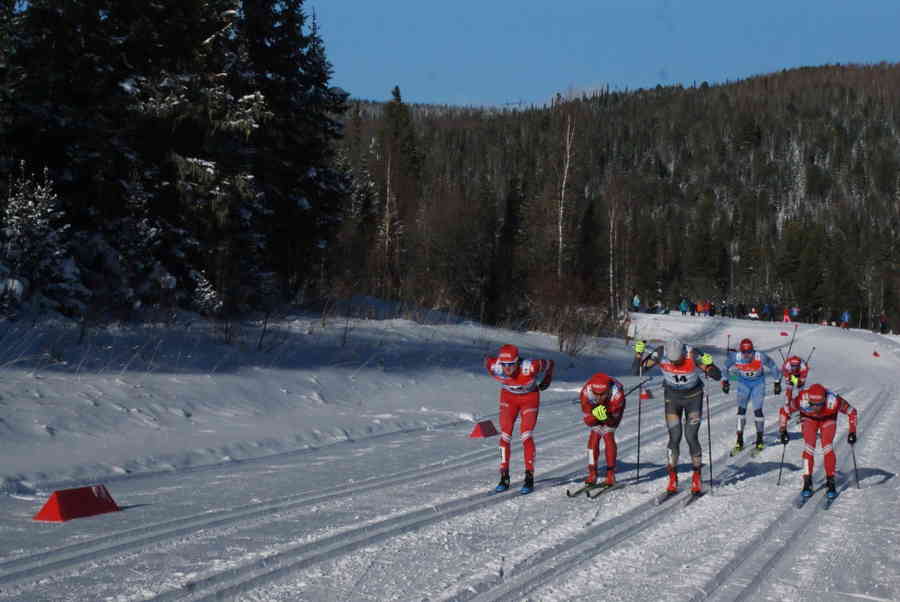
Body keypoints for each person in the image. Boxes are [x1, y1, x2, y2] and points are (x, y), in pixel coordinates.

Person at [638, 338, 722, 494]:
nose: (676, 364)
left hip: (693, 398)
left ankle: (697, 476)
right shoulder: (660, 353)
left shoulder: (693, 354)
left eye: (678, 361)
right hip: (672, 398)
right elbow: (639, 370)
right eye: (673, 361)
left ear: (683, 353)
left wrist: (710, 365)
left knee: (691, 436)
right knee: (674, 436)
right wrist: (638, 354)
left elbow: (717, 375)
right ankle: (672, 477)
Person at [485, 344, 554, 494]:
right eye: (504, 365)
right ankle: (504, 476)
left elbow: (550, 363)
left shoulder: (531, 367)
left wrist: (548, 377)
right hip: (508, 399)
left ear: (518, 361)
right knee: (505, 435)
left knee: (526, 435)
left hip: (529, 398)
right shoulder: (494, 366)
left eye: (511, 365)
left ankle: (529, 477)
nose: (507, 369)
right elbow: (487, 361)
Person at [778, 383, 858, 499]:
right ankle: (807, 481)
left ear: (825, 399)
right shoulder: (802, 398)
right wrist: (783, 429)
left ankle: (831, 481)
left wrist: (852, 431)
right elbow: (784, 410)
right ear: (808, 400)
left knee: (827, 447)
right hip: (809, 419)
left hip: (828, 419)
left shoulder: (834, 400)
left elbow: (852, 412)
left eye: (819, 404)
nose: (816, 407)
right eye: (813, 404)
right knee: (809, 447)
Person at [722, 338, 781, 453]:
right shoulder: (736, 357)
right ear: (740, 351)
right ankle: (739, 440)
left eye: (749, 352)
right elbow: (725, 367)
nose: (747, 355)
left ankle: (759, 440)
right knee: (741, 411)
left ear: (753, 350)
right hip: (743, 383)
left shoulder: (760, 356)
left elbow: (773, 366)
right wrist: (725, 380)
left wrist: (777, 382)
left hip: (758, 384)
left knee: (757, 410)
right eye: (744, 352)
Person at [578, 373, 626, 486]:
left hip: (612, 408)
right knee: (594, 436)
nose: (599, 398)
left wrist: (607, 417)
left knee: (608, 434)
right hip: (594, 408)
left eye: (602, 394)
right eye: (596, 394)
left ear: (608, 390)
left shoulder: (617, 395)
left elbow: (613, 422)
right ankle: (592, 473)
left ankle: (610, 474)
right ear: (591, 390)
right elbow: (588, 421)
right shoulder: (586, 393)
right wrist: (594, 415)